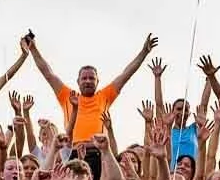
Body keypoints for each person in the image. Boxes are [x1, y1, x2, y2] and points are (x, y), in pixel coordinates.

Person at [23, 30, 156, 148]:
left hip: (98, 150)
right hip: (73, 151)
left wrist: (144, 52)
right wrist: (33, 49)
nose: (88, 81)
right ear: (78, 82)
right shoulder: (68, 96)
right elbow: (48, 73)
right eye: (84, 78)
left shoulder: (104, 96)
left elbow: (126, 73)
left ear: (98, 81)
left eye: (92, 78)